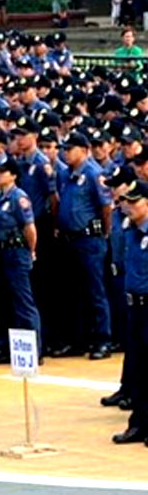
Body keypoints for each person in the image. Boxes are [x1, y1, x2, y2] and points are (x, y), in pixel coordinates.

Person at [54, 132, 113, 360]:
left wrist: (103, 233)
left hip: (90, 239)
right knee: (73, 293)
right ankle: (77, 340)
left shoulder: (93, 174)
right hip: (71, 240)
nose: (65, 153)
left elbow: (106, 207)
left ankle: (102, 340)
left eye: (70, 149)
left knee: (95, 292)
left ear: (83, 150)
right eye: (65, 149)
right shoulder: (66, 174)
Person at [0, 159, 40, 364]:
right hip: (0, 252)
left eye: (3, 172)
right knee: (4, 302)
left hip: (16, 251)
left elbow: (29, 229)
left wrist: (31, 251)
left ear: (13, 175)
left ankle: (33, 349)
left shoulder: (19, 197)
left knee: (22, 301)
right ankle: (11, 349)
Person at [111, 181, 148, 446]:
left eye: (135, 202)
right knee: (137, 367)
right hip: (134, 306)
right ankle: (139, 423)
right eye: (127, 202)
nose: (129, 206)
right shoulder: (130, 231)